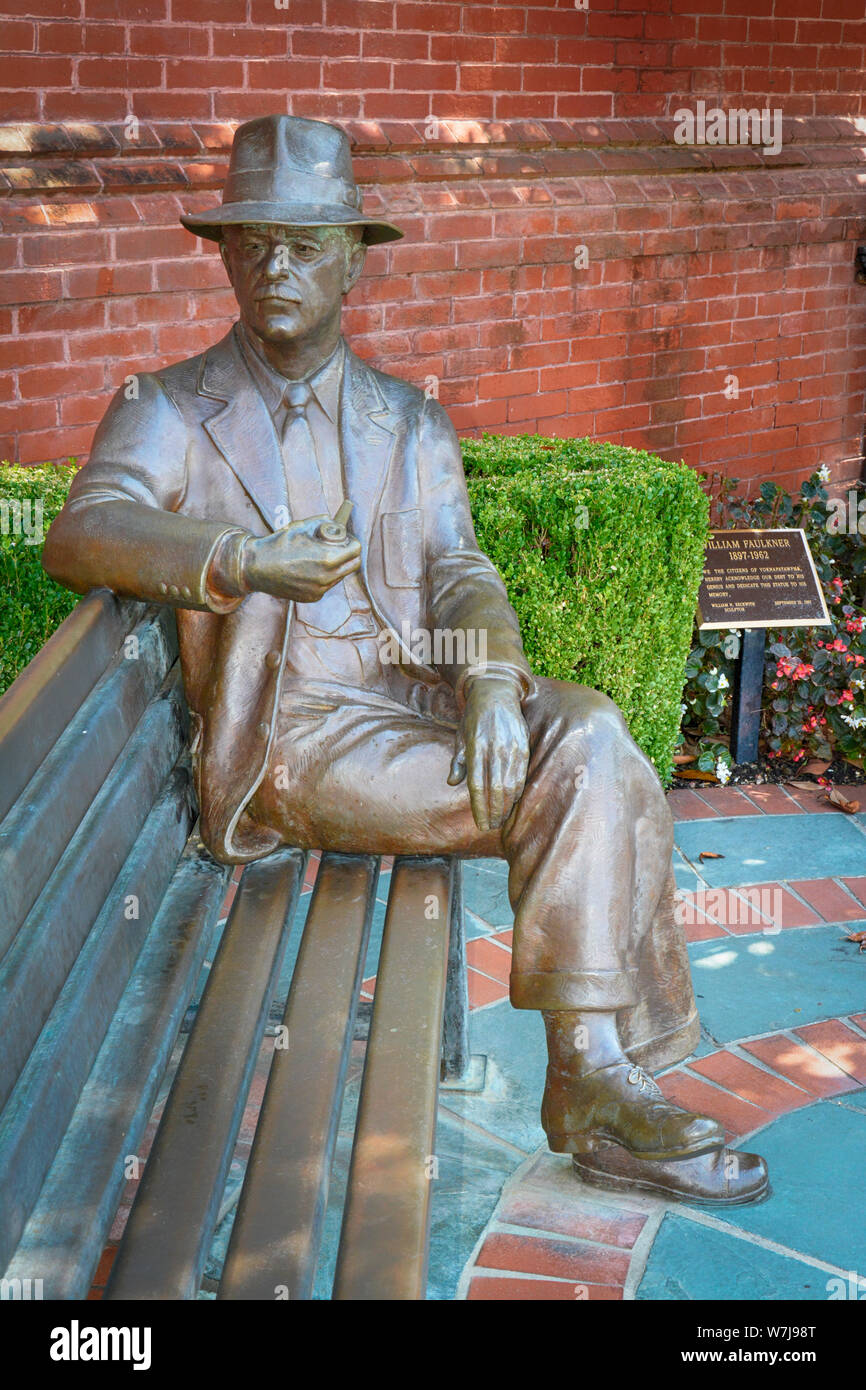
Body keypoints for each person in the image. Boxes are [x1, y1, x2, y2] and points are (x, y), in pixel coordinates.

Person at [43, 115, 767, 1205]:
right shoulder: (167, 407)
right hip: (293, 739)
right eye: (251, 244)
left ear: (351, 259)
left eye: (300, 243)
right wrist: (242, 560)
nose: (273, 265)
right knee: (578, 772)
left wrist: (482, 679)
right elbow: (83, 529)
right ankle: (595, 1072)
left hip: (412, 695)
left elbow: (458, 568)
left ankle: (601, 1069)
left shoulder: (407, 419)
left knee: (591, 727)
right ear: (227, 257)